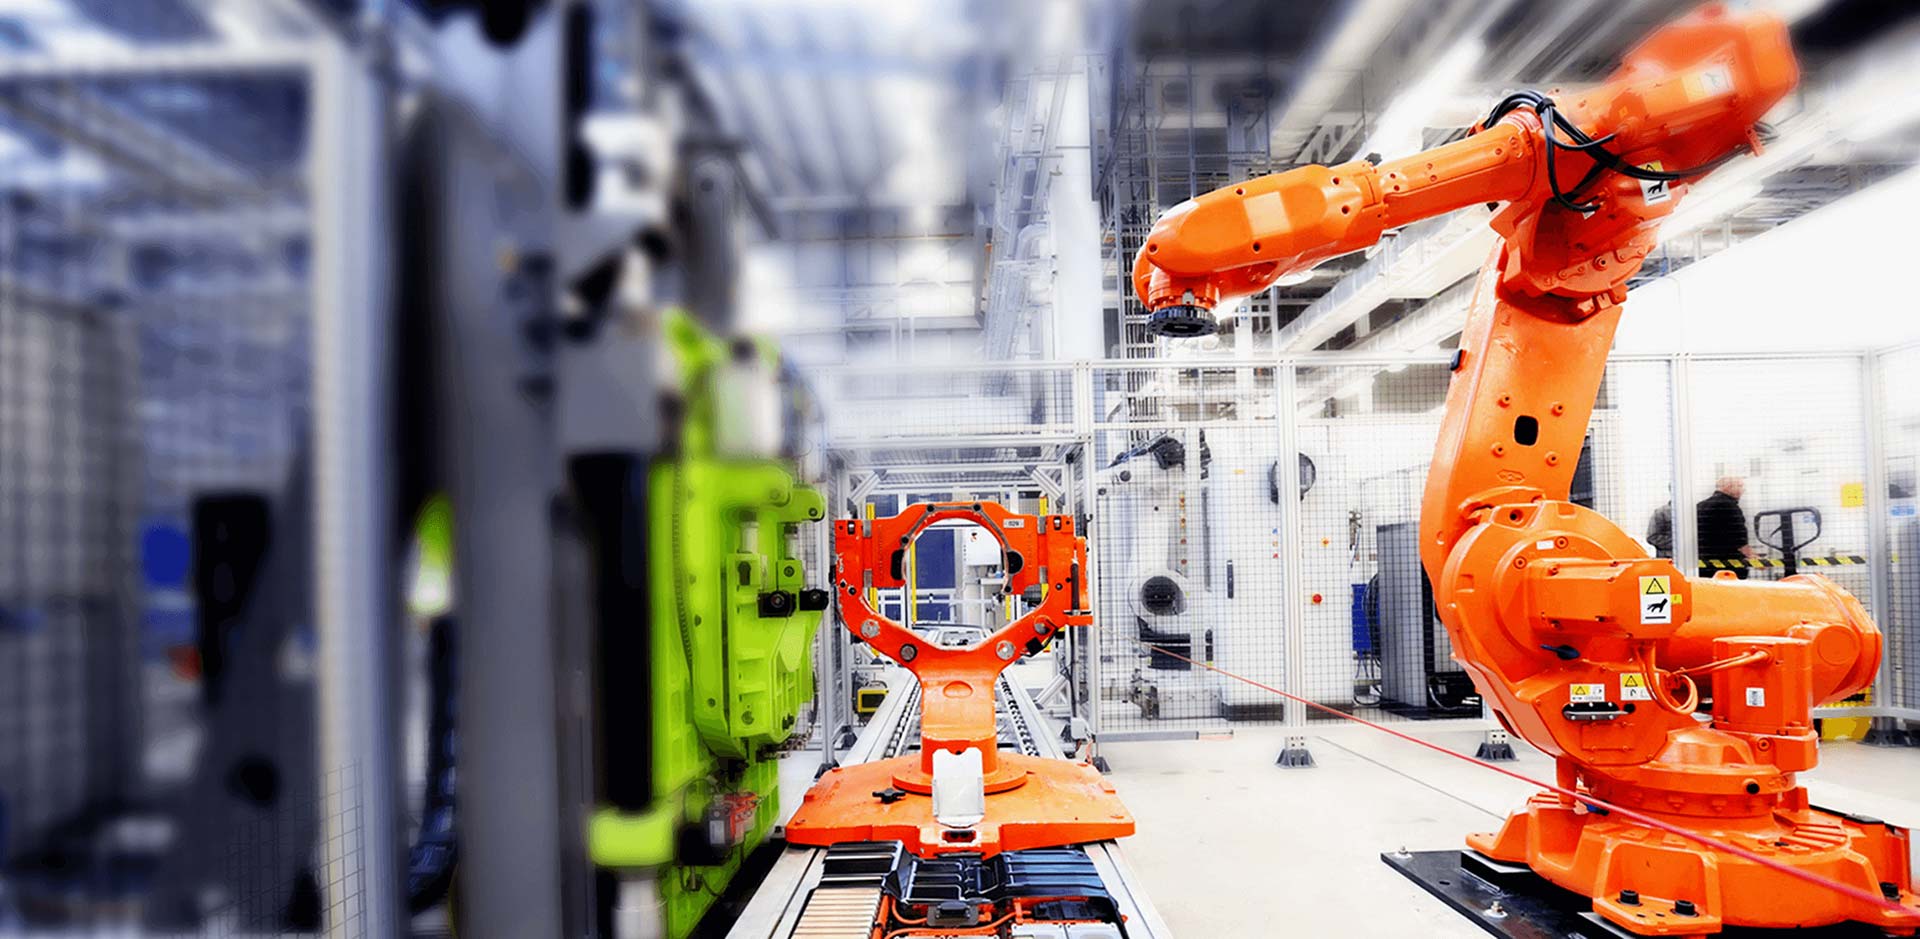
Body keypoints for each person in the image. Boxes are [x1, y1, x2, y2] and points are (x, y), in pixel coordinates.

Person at [1697, 476, 1754, 579]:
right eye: (1740, 486)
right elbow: (1739, 537)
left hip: (1704, 564)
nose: (1743, 490)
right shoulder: (1729, 506)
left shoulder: (1700, 506)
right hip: (1728, 567)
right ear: (1728, 487)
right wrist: (1753, 557)